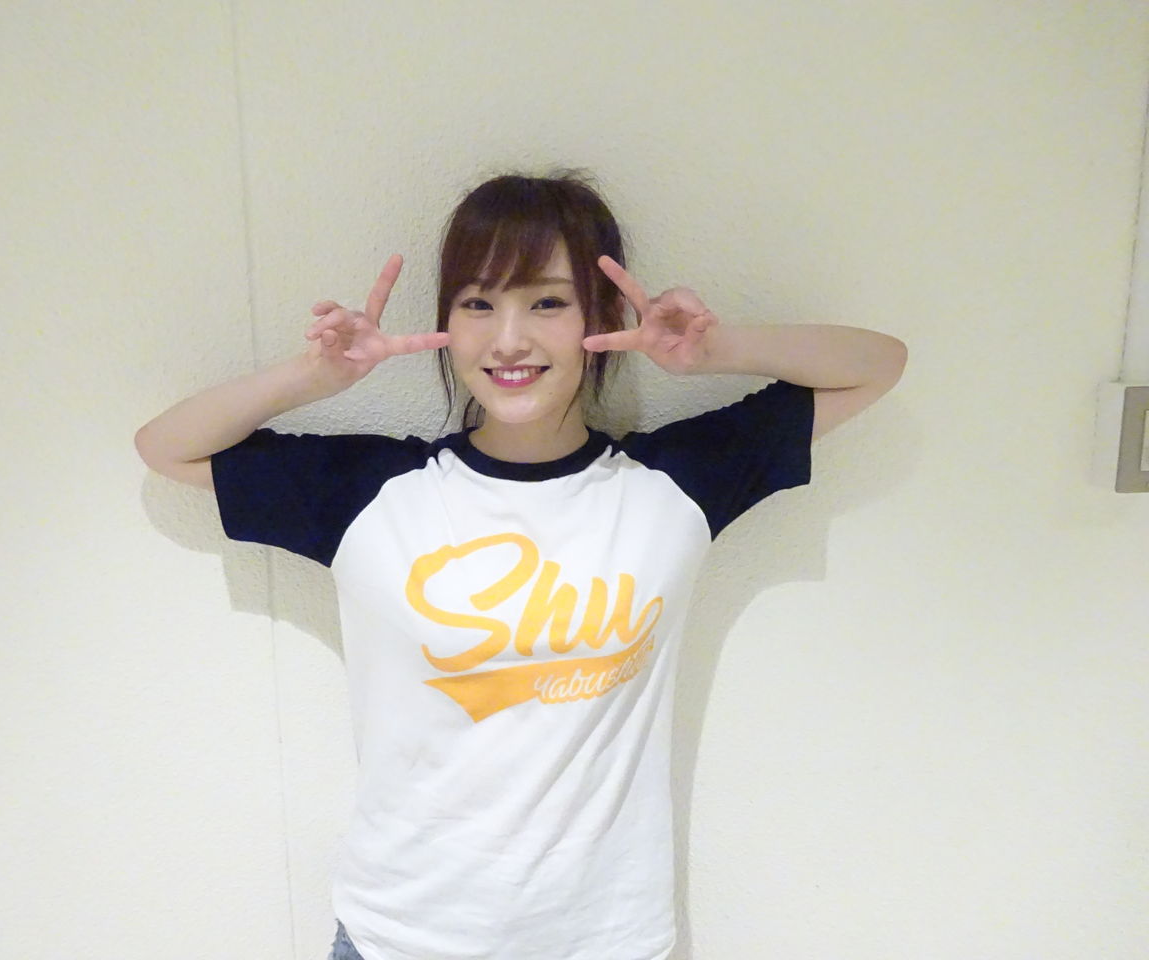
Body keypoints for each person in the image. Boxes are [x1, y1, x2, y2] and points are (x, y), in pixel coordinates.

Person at [134, 171, 907, 960]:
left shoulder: (671, 488)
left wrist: (712, 351)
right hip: (398, 939)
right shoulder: (374, 496)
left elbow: (877, 364)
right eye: (478, 304)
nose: (508, 340)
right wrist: (316, 376)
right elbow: (166, 447)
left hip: (608, 944)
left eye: (547, 303)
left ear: (601, 318)